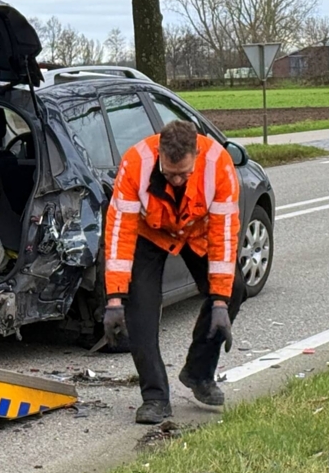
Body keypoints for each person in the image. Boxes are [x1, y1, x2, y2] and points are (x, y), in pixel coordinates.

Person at [103, 119, 247, 424]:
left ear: (197, 153)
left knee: (233, 289)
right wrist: (115, 298)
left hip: (197, 231)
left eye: (184, 173)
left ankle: (198, 373)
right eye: (170, 174)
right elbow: (120, 233)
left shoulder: (218, 165)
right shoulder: (135, 164)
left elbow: (224, 236)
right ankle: (154, 397)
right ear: (159, 154)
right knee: (139, 312)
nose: (178, 181)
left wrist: (220, 301)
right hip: (149, 233)